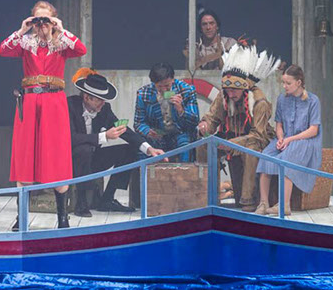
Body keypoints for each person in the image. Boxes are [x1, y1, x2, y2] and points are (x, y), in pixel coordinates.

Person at [0, 0, 86, 229]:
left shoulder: (61, 43)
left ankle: (62, 218)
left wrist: (60, 28)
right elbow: (3, 50)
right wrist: (22, 29)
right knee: (25, 156)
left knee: (57, 156)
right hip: (29, 103)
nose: (42, 24)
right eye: (38, 19)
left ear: (53, 20)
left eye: (46, 19)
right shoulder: (26, 43)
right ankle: (21, 218)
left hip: (54, 103)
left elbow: (81, 50)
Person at [68, 68, 166, 217]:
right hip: (70, 161)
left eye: (104, 99)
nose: (103, 103)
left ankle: (107, 198)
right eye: (99, 99)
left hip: (93, 159)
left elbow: (123, 130)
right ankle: (81, 202)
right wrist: (103, 136)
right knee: (85, 149)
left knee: (130, 149)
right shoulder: (70, 105)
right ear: (87, 97)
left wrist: (149, 148)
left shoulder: (104, 109)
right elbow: (71, 138)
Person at [198, 45, 280, 212]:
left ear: (244, 88)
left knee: (250, 150)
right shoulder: (224, 96)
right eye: (228, 90)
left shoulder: (259, 102)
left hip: (256, 141)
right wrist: (205, 125)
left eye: (234, 90)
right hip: (230, 138)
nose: (231, 94)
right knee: (203, 146)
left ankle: (249, 200)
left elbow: (258, 135)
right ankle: (208, 196)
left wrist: (233, 143)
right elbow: (213, 117)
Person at [255, 65, 322, 216]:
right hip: (285, 139)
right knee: (265, 156)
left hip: (305, 140)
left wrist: (290, 139)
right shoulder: (282, 99)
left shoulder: (313, 100)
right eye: (283, 82)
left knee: (287, 160)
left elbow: (314, 130)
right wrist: (280, 138)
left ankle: (284, 205)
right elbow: (278, 124)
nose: (284, 86)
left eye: (288, 83)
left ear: (299, 82)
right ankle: (263, 203)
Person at [134, 62, 199, 162]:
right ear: (153, 83)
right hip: (157, 136)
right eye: (159, 86)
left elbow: (194, 122)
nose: (164, 90)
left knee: (185, 143)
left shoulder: (186, 90)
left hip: (179, 133)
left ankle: (185, 171)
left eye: (167, 85)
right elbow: (138, 123)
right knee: (143, 146)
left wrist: (181, 110)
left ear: (173, 79)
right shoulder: (143, 94)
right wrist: (148, 131)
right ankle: (145, 171)